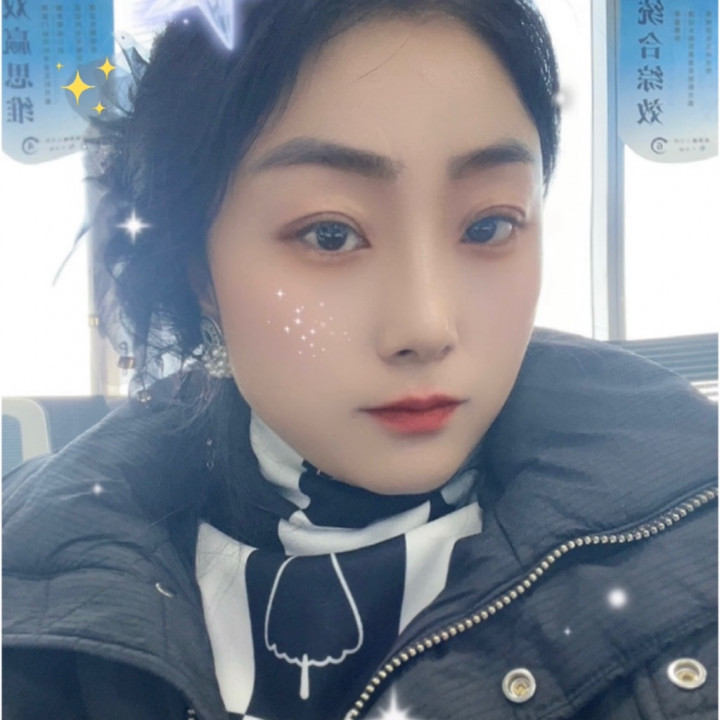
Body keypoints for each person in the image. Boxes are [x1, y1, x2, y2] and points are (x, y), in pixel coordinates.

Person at [3, 1, 717, 719]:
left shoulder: (692, 554)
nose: (426, 327)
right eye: (330, 235)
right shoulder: (30, 599)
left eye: (488, 226)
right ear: (199, 271)